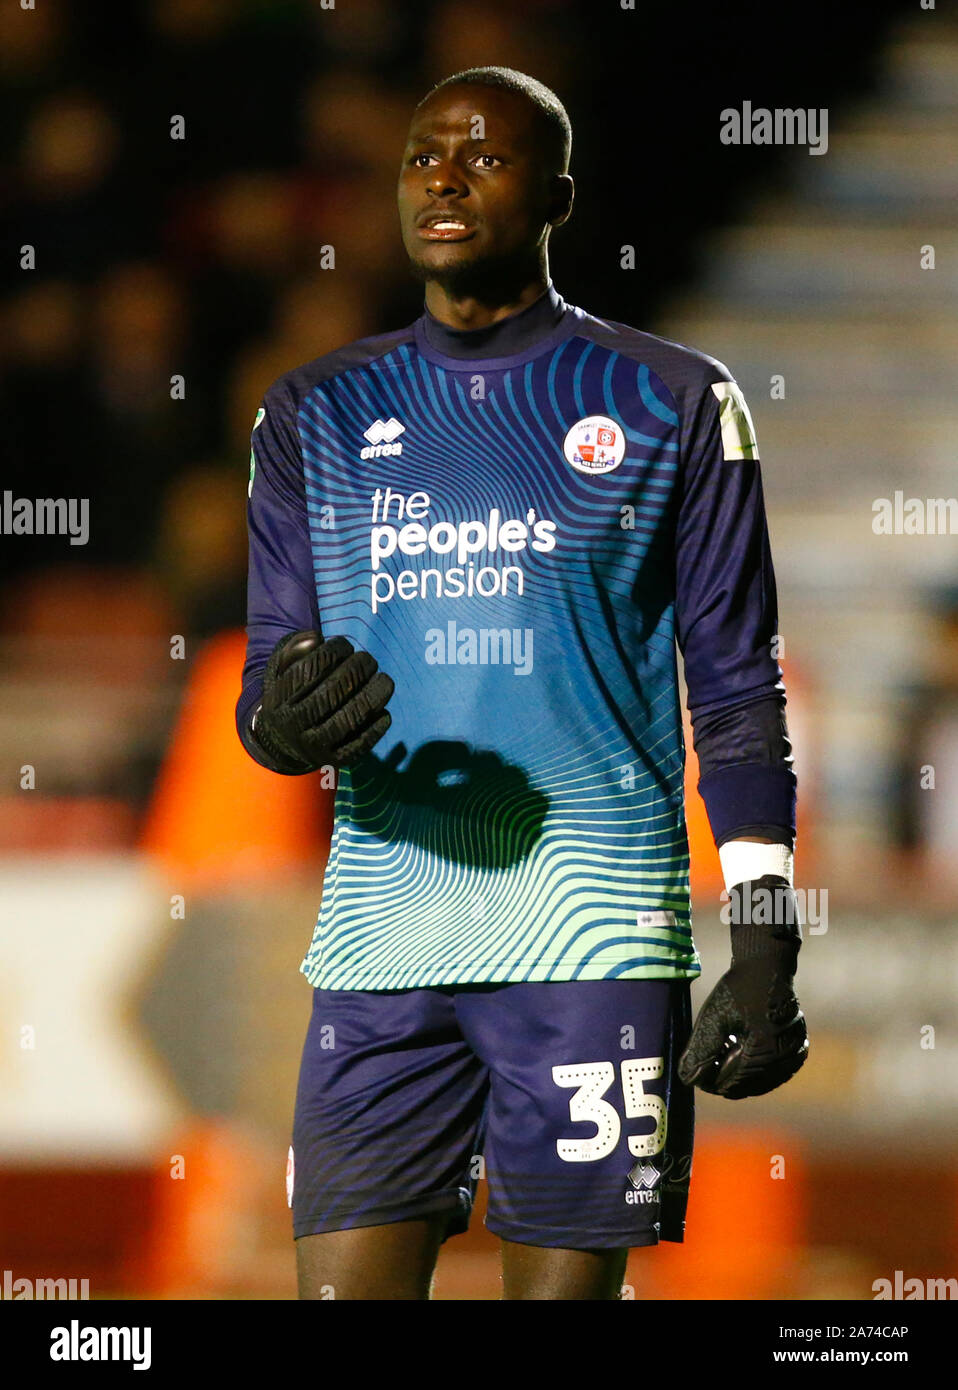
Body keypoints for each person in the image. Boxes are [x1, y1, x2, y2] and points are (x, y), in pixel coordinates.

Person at [236, 66, 808, 1301]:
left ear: (555, 190)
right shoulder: (311, 414)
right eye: (421, 155)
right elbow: (268, 677)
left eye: (483, 156)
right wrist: (278, 724)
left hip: (590, 944)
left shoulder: (669, 400)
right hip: (379, 948)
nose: (443, 176)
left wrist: (764, 939)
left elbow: (734, 680)